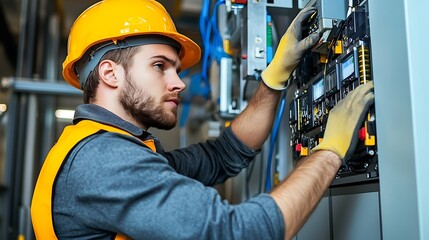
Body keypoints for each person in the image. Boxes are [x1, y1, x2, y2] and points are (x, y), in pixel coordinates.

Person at [31, 0, 374, 239]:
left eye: (175, 69)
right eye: (159, 66)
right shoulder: (105, 162)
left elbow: (223, 154)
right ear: (110, 73)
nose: (178, 82)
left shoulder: (115, 149)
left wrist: (275, 77)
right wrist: (328, 152)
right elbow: (238, 233)